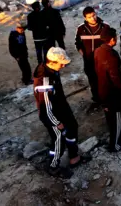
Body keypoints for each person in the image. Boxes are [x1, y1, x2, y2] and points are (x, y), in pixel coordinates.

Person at [33, 47, 87, 178]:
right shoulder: (44, 80)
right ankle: (53, 166)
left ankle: (74, 156)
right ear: (52, 62)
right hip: (52, 116)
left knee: (72, 128)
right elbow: (45, 106)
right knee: (58, 140)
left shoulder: (53, 71)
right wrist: (56, 123)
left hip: (62, 108)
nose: (63, 65)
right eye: (61, 63)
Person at [95, 28, 121, 152]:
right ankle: (115, 145)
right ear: (112, 39)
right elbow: (115, 77)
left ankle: (116, 137)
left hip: (103, 90)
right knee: (117, 118)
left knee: (111, 118)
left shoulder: (98, 51)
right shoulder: (111, 55)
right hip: (113, 94)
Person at [75, 7, 111, 104]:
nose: (93, 18)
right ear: (85, 18)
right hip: (89, 61)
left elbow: (111, 42)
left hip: (103, 61)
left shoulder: (105, 26)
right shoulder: (80, 29)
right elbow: (77, 43)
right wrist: (84, 55)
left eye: (94, 15)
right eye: (90, 17)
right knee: (93, 81)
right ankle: (96, 98)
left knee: (105, 80)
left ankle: (107, 98)